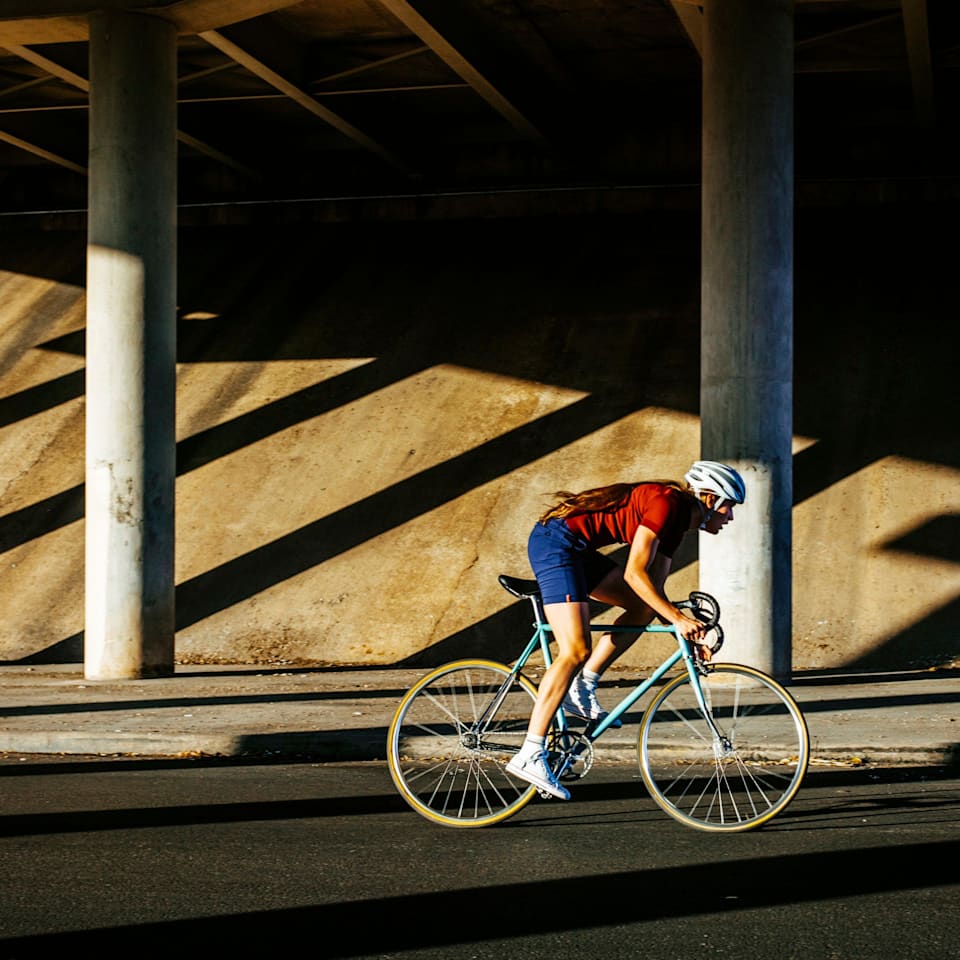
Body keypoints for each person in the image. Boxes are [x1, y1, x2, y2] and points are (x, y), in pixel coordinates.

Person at [505, 460, 746, 800]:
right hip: (556, 543)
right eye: (728, 507)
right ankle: (530, 752)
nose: (730, 517)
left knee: (643, 608)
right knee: (575, 649)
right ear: (708, 498)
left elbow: (653, 593)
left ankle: (582, 686)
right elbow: (635, 574)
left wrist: (684, 634)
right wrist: (678, 618)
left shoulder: (677, 526)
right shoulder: (667, 504)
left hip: (579, 551)